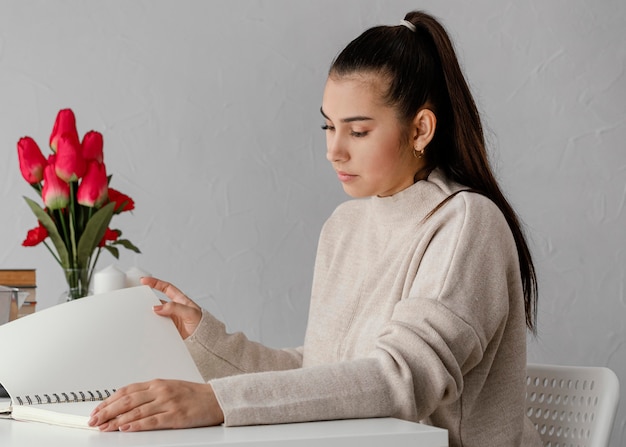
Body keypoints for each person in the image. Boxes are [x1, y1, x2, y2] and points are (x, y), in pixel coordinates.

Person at [88, 10, 542, 446]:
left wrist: (218, 402)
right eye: (328, 126)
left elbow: (402, 380)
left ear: (421, 129)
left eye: (358, 131)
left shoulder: (465, 224)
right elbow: (323, 373)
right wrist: (206, 340)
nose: (334, 151)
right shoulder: (344, 226)